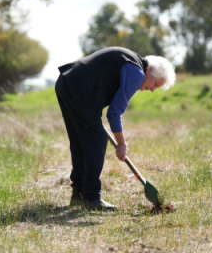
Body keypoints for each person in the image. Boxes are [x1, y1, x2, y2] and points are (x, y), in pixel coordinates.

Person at [55, 46, 175, 211]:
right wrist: (121, 144)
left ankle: (79, 193)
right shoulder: (136, 73)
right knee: (97, 140)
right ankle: (91, 199)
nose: (153, 90)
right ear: (151, 70)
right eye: (155, 84)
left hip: (66, 83)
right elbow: (114, 113)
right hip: (79, 91)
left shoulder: (131, 61)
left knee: (80, 140)